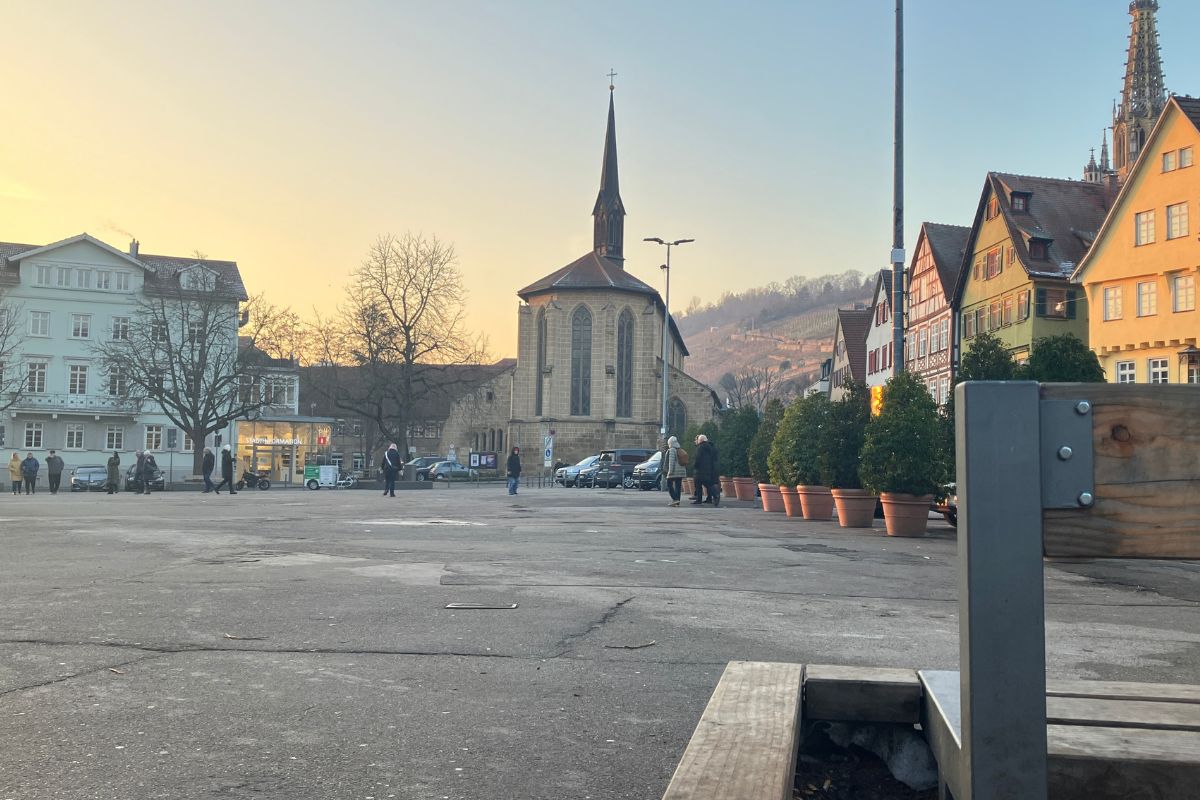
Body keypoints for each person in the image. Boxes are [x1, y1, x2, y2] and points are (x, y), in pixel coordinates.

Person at [691, 434, 720, 507]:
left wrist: (694, 465)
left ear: (700, 440)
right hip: (709, 469)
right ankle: (715, 495)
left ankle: (699, 499)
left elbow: (697, 458)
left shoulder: (700, 448)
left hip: (700, 469)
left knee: (698, 484)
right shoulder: (711, 447)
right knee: (708, 484)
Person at [662, 436, 687, 507]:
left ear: (670, 443)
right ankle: (677, 502)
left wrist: (670, 472)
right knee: (678, 486)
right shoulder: (679, 449)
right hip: (681, 471)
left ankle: (675, 499)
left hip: (675, 471)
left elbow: (671, 462)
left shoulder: (672, 450)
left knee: (669, 484)